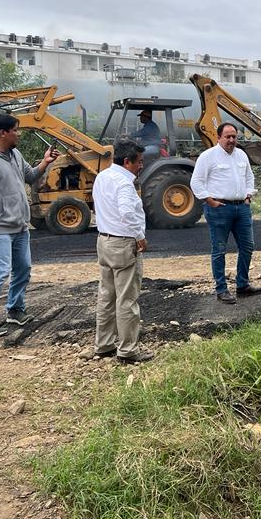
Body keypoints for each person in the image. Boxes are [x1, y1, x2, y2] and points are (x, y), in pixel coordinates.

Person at [0, 114, 59, 337]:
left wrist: (45, 162)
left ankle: (15, 311)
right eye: (16, 130)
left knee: (23, 269)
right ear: (3, 133)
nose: (19, 133)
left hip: (19, 227)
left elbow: (30, 176)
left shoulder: (15, 154)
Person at [89, 140, 154, 364]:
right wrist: (139, 236)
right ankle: (128, 350)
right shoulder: (125, 184)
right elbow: (127, 213)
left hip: (104, 241)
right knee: (127, 299)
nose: (141, 166)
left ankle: (104, 345)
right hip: (123, 244)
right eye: (139, 162)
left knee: (106, 296)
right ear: (127, 162)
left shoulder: (102, 176)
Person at [189, 122, 261, 304]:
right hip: (219, 209)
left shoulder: (241, 155)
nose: (231, 140)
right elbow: (196, 181)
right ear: (218, 137)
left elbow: (249, 177)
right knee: (219, 250)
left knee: (247, 246)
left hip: (242, 208)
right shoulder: (208, 157)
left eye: (234, 137)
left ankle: (242, 285)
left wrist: (248, 196)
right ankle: (221, 289)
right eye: (227, 137)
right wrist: (210, 201)